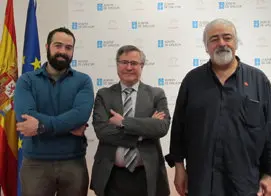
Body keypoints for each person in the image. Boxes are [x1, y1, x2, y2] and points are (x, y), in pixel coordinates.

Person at [165, 18, 271, 196]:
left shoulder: (258, 80)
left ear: (236, 42)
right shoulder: (192, 81)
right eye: (214, 39)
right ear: (206, 46)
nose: (222, 43)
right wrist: (179, 167)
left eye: (227, 37)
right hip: (201, 180)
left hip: (244, 181)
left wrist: (269, 173)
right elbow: (179, 128)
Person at [14, 27, 94, 196]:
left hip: (73, 162)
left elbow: (80, 115)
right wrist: (66, 125)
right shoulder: (26, 81)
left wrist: (41, 126)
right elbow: (25, 115)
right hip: (35, 163)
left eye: (68, 47)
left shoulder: (83, 81)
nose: (63, 51)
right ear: (47, 46)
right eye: (58, 45)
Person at [90, 45, 170, 196]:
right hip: (111, 175)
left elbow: (161, 127)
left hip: (146, 175)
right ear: (117, 64)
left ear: (142, 66)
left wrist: (123, 123)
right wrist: (145, 128)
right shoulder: (104, 95)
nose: (128, 67)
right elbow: (103, 132)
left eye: (133, 63)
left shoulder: (156, 94)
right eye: (123, 62)